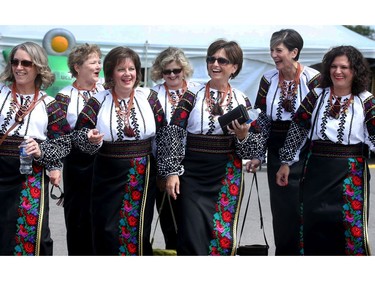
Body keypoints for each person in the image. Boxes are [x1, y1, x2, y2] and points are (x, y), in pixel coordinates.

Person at [157, 39, 255, 255]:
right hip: (192, 174)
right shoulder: (191, 95)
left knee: (221, 233)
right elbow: (173, 133)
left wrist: (242, 136)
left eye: (222, 60)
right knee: (191, 232)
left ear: (234, 67)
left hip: (227, 173)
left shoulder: (242, 99)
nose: (215, 64)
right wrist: (172, 172)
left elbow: (251, 150)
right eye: (211, 59)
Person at [276, 45, 373, 255]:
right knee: (313, 223)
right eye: (334, 66)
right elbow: (298, 129)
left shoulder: (366, 101)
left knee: (348, 227)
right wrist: (286, 163)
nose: (338, 71)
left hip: (350, 173)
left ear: (355, 71)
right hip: (316, 171)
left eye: (344, 67)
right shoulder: (316, 96)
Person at [73, 46, 166, 255]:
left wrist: (167, 172)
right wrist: (91, 140)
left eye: (131, 69)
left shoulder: (149, 97)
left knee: (137, 228)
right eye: (121, 69)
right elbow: (78, 136)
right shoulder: (98, 101)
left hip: (142, 173)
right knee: (106, 228)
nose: (127, 74)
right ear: (111, 73)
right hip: (106, 173)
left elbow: (165, 135)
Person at [245, 29, 321, 255]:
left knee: (306, 206)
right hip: (276, 147)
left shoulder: (314, 79)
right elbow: (262, 119)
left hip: (306, 147)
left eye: (279, 50)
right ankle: (285, 255)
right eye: (272, 50)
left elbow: (313, 119)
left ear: (294, 52)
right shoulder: (268, 78)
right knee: (282, 209)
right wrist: (258, 154)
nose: (274, 55)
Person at [0, 42, 71, 255]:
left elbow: (64, 142)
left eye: (26, 63)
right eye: (15, 62)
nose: (19, 67)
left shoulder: (49, 104)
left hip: (29, 175)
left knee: (31, 232)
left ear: (38, 67)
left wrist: (41, 150)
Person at [54, 43, 104, 255]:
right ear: (77, 66)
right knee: (78, 221)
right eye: (93, 62)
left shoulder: (107, 90)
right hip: (77, 167)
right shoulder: (63, 97)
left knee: (103, 220)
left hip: (106, 163)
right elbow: (57, 134)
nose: (98, 66)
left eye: (99, 61)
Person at [150, 47, 199, 251]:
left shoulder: (198, 90)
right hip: (161, 164)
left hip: (194, 163)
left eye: (176, 70)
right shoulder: (152, 94)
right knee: (169, 221)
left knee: (192, 221)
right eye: (166, 71)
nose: (171, 75)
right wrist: (163, 171)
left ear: (184, 70)